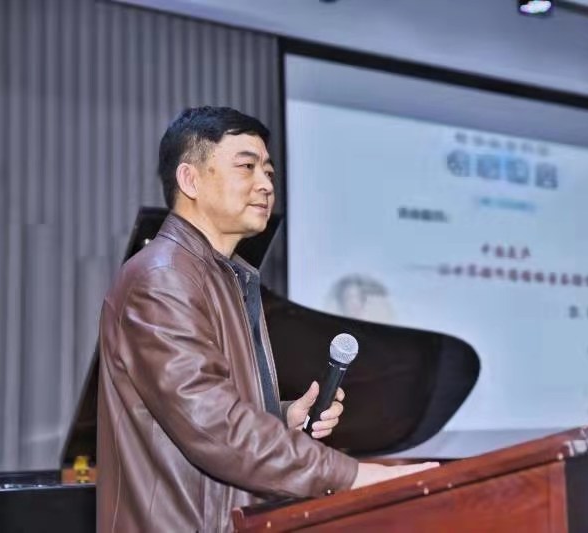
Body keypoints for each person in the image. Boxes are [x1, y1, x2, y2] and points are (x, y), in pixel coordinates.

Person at [96, 106, 437, 531]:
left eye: (269, 172)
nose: (265, 184)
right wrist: (353, 476)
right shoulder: (162, 278)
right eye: (247, 167)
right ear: (190, 180)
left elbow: (213, 408)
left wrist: (281, 416)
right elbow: (215, 426)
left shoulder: (223, 275)